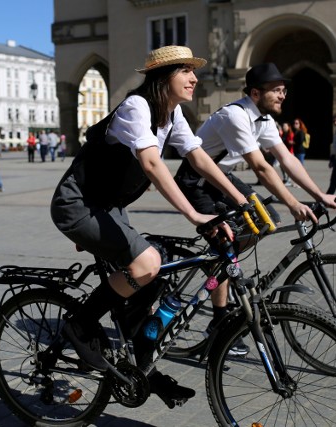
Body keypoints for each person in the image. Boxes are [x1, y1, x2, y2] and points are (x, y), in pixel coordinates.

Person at [50, 45, 249, 408]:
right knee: (147, 263)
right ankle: (79, 327)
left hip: (108, 208)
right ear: (163, 77)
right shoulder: (136, 107)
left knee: (149, 282)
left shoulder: (171, 115)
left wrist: (240, 199)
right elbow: (152, 164)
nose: (193, 78)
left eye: (194, 71)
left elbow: (198, 156)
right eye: (185, 71)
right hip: (77, 206)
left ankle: (142, 366)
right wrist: (195, 215)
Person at [174, 62, 336, 354]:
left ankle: (224, 264)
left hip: (221, 177)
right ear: (255, 92)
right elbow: (261, 168)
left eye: (284, 90)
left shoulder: (263, 120)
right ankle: (219, 319)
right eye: (277, 90)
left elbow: (286, 160)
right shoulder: (235, 116)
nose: (283, 95)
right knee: (226, 244)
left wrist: (319, 193)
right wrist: (293, 203)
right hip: (195, 180)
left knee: (267, 220)